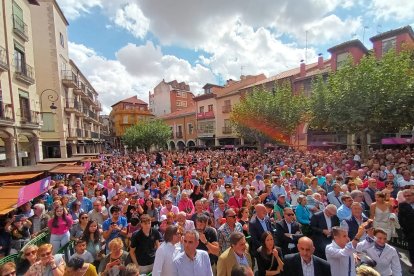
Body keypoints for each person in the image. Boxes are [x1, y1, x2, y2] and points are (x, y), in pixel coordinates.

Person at [398, 188, 414, 274]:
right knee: (412, 250)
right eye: (406, 196)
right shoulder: (402, 205)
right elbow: (401, 220)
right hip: (411, 232)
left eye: (409, 195)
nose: (407, 197)